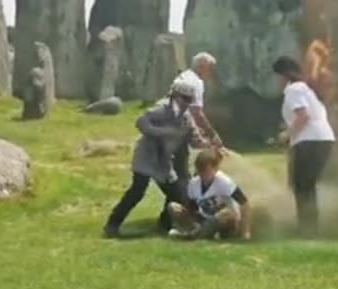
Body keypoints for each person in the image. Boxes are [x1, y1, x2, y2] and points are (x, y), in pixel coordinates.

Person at [104, 77, 196, 239]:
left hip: (164, 161)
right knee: (137, 192)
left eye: (190, 100)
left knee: (176, 195)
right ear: (175, 95)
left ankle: (164, 225)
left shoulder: (185, 117)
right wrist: (164, 132)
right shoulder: (161, 109)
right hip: (147, 157)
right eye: (185, 99)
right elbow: (141, 123)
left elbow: (191, 135)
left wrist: (203, 142)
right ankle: (112, 225)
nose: (187, 103)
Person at [274, 56, 336, 237]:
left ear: (283, 75)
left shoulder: (293, 89)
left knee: (302, 186)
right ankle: (309, 227)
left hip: (310, 141)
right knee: (305, 185)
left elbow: (303, 116)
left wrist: (286, 135)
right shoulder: (305, 90)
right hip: (321, 139)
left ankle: (308, 229)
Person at [163, 52, 227, 228]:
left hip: (168, 131)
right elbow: (196, 113)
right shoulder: (195, 82)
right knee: (182, 177)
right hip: (178, 135)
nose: (211, 73)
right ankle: (177, 219)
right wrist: (212, 134)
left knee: (178, 175)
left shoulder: (182, 77)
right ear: (202, 66)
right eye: (210, 68)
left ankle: (167, 218)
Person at [167, 148, 253, 241]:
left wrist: (246, 231)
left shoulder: (224, 182)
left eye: (207, 171)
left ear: (216, 168)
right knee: (173, 207)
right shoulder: (194, 183)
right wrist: (188, 218)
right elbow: (191, 207)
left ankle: (193, 235)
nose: (203, 175)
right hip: (204, 219)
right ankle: (195, 231)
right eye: (201, 171)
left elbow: (245, 203)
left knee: (223, 214)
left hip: (226, 222)